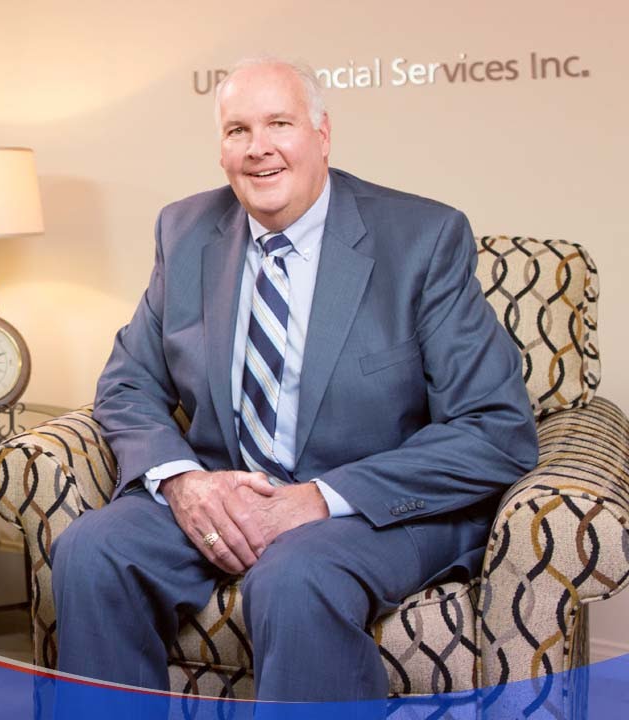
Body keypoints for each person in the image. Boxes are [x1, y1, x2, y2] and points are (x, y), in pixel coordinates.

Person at [51, 57, 539, 704]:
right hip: (228, 492)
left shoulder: (423, 240)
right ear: (220, 148)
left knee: (294, 575)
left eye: (279, 123)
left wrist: (317, 499)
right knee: (92, 551)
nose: (259, 149)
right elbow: (128, 385)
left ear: (322, 134)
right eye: (237, 131)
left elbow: (496, 429)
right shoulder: (186, 232)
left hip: (369, 506)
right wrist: (185, 481)